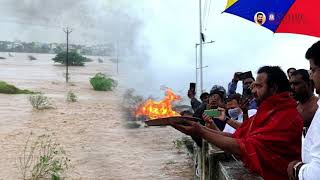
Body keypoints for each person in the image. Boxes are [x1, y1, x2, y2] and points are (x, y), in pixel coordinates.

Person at [171, 66, 303, 180]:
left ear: (273, 88)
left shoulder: (286, 115)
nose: (253, 91)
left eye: (258, 86)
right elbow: (237, 137)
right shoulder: (266, 110)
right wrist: (199, 128)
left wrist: (200, 131)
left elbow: (245, 147)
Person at [287, 41, 320, 180]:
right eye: (291, 84)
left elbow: (317, 173)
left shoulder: (316, 107)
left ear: (308, 84)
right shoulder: (293, 107)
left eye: (313, 70)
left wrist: (296, 168)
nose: (311, 75)